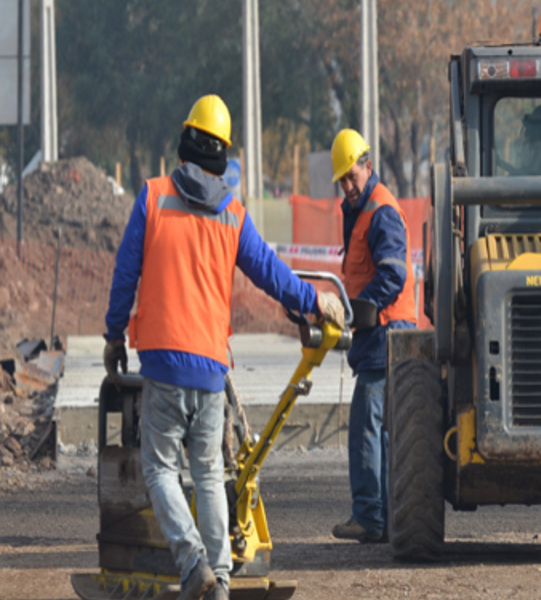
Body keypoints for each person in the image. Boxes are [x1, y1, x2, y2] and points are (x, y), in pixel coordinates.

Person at [102, 94, 345, 600]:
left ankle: (193, 566)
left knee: (160, 469)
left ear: (185, 142)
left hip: (163, 361)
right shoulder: (233, 213)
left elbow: (125, 276)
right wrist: (315, 301)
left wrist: (112, 337)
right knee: (210, 473)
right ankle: (222, 581)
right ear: (223, 156)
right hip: (211, 368)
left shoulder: (151, 197)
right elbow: (272, 274)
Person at [329, 129, 417, 543]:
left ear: (367, 165)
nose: (348, 186)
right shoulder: (361, 210)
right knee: (380, 430)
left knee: (368, 425)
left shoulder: (381, 210)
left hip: (385, 333)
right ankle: (383, 518)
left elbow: (393, 274)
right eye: (342, 181)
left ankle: (370, 517)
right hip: (376, 334)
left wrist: (362, 308)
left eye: (351, 176)